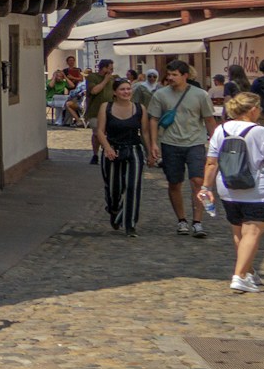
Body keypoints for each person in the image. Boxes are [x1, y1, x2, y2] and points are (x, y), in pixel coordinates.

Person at [198, 92, 264, 293]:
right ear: (253, 109)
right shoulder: (259, 132)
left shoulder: (220, 130)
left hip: (227, 188)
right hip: (256, 189)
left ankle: (248, 271)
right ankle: (239, 276)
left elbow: (211, 162)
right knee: (253, 231)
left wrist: (205, 188)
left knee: (239, 231)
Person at [149, 59, 217, 238]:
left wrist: (217, 144)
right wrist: (153, 143)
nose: (170, 78)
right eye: (169, 74)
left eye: (174, 75)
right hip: (170, 143)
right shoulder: (160, 95)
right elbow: (154, 119)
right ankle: (182, 220)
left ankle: (197, 222)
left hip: (195, 143)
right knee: (174, 182)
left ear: (185, 76)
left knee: (197, 181)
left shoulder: (200, 95)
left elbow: (209, 119)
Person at [97, 77, 153, 236]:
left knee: (132, 187)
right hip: (112, 150)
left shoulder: (139, 108)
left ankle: (130, 225)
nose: (126, 92)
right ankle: (114, 210)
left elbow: (145, 133)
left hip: (133, 149)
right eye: (122, 89)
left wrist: (149, 152)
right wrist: (107, 148)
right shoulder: (106, 107)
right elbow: (100, 131)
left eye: (128, 89)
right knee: (114, 188)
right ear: (115, 92)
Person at [86, 60, 117, 164]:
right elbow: (94, 90)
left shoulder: (113, 79)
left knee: (109, 133)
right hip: (95, 111)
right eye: (110, 69)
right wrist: (105, 80)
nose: (111, 71)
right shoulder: (92, 77)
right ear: (103, 68)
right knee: (97, 134)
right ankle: (95, 154)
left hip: (110, 111)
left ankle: (108, 152)